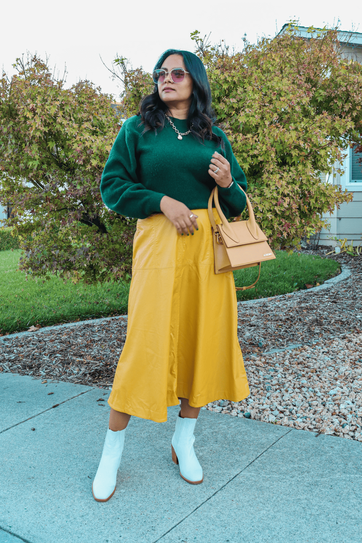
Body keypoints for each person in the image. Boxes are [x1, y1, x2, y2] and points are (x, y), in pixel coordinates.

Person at [93, 49, 250, 502]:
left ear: (194, 81)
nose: (167, 78)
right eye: (161, 73)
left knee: (202, 339)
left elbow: (239, 202)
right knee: (144, 343)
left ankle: (185, 439)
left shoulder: (214, 136)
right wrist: (162, 202)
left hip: (207, 254)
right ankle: (112, 453)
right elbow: (113, 187)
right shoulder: (137, 129)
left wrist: (226, 184)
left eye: (177, 72)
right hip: (159, 248)